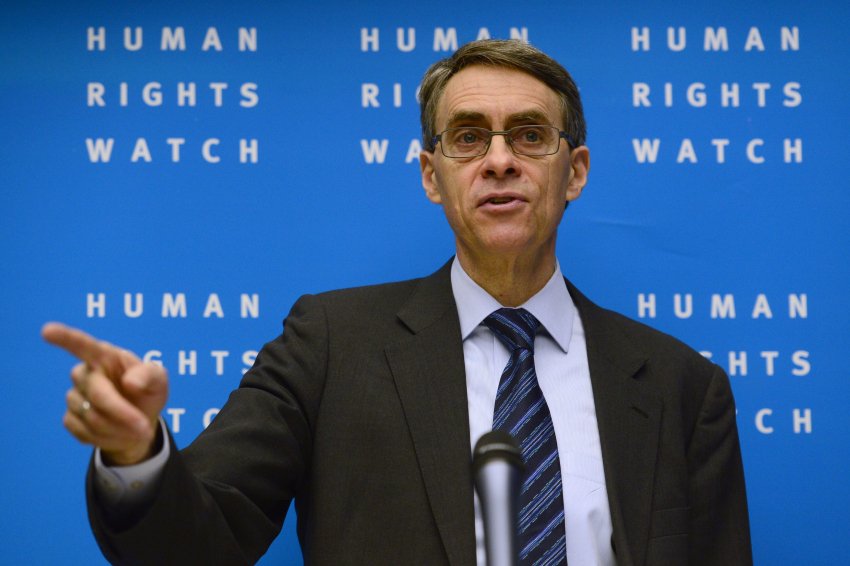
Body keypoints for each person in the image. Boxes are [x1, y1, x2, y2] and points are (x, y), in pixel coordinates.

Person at [43, 39, 752, 565]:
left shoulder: (682, 387)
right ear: (431, 177)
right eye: (468, 137)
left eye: (530, 135)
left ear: (576, 172)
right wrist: (136, 453)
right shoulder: (330, 346)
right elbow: (198, 541)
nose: (499, 159)